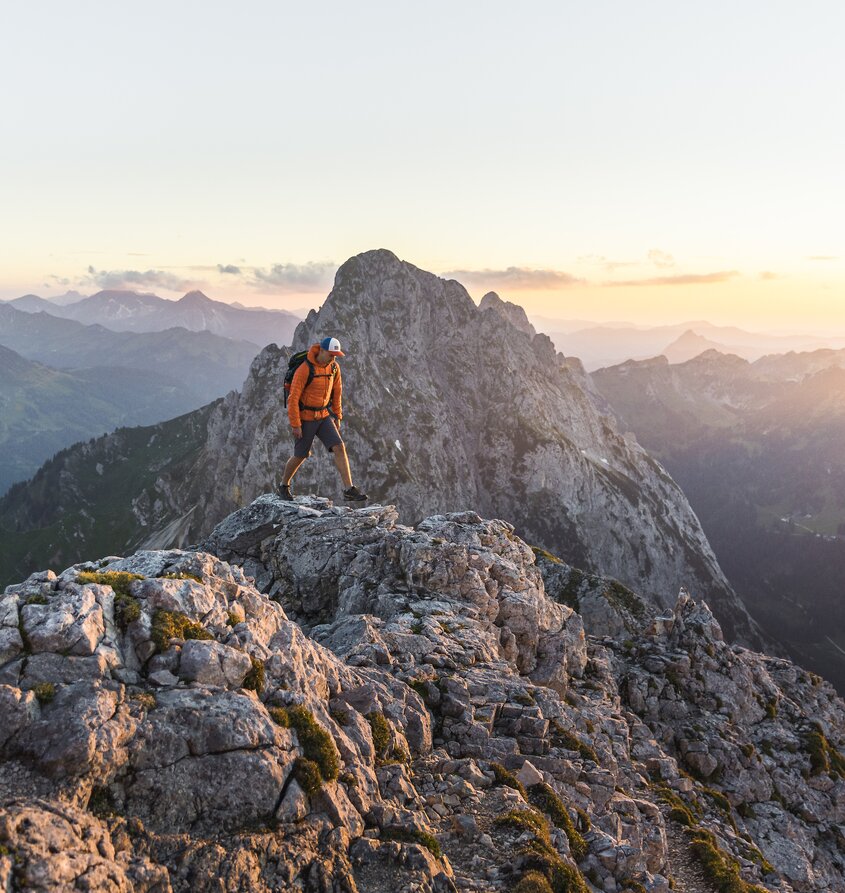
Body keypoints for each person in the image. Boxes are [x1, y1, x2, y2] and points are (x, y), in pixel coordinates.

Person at [277, 336, 368, 502]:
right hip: (306, 418)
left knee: (339, 447)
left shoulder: (334, 368)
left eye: (336, 355)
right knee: (301, 455)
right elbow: (293, 399)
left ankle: (349, 489)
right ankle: (283, 485)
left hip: (324, 416)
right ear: (322, 351)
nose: (333, 358)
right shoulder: (305, 369)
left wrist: (337, 415)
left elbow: (337, 392)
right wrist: (296, 424)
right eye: (331, 354)